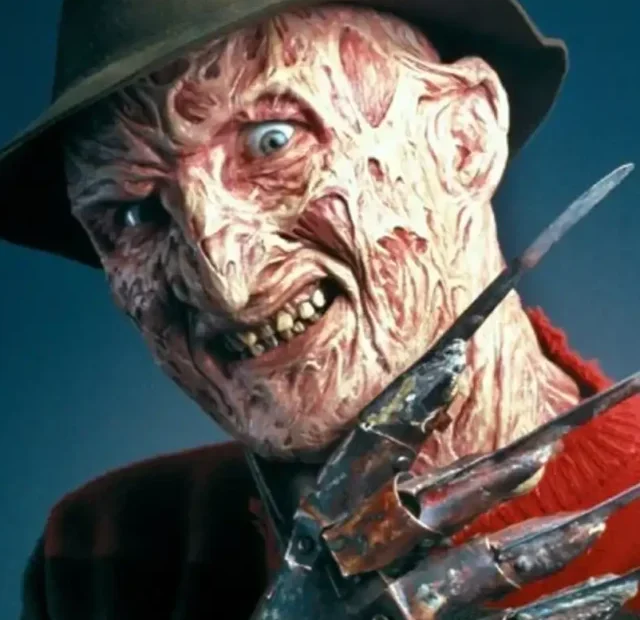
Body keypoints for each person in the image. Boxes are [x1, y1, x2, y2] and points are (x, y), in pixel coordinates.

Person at [1, 0, 639, 618]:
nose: (226, 282)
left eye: (271, 142)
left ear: (463, 140)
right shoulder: (106, 558)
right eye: (133, 214)